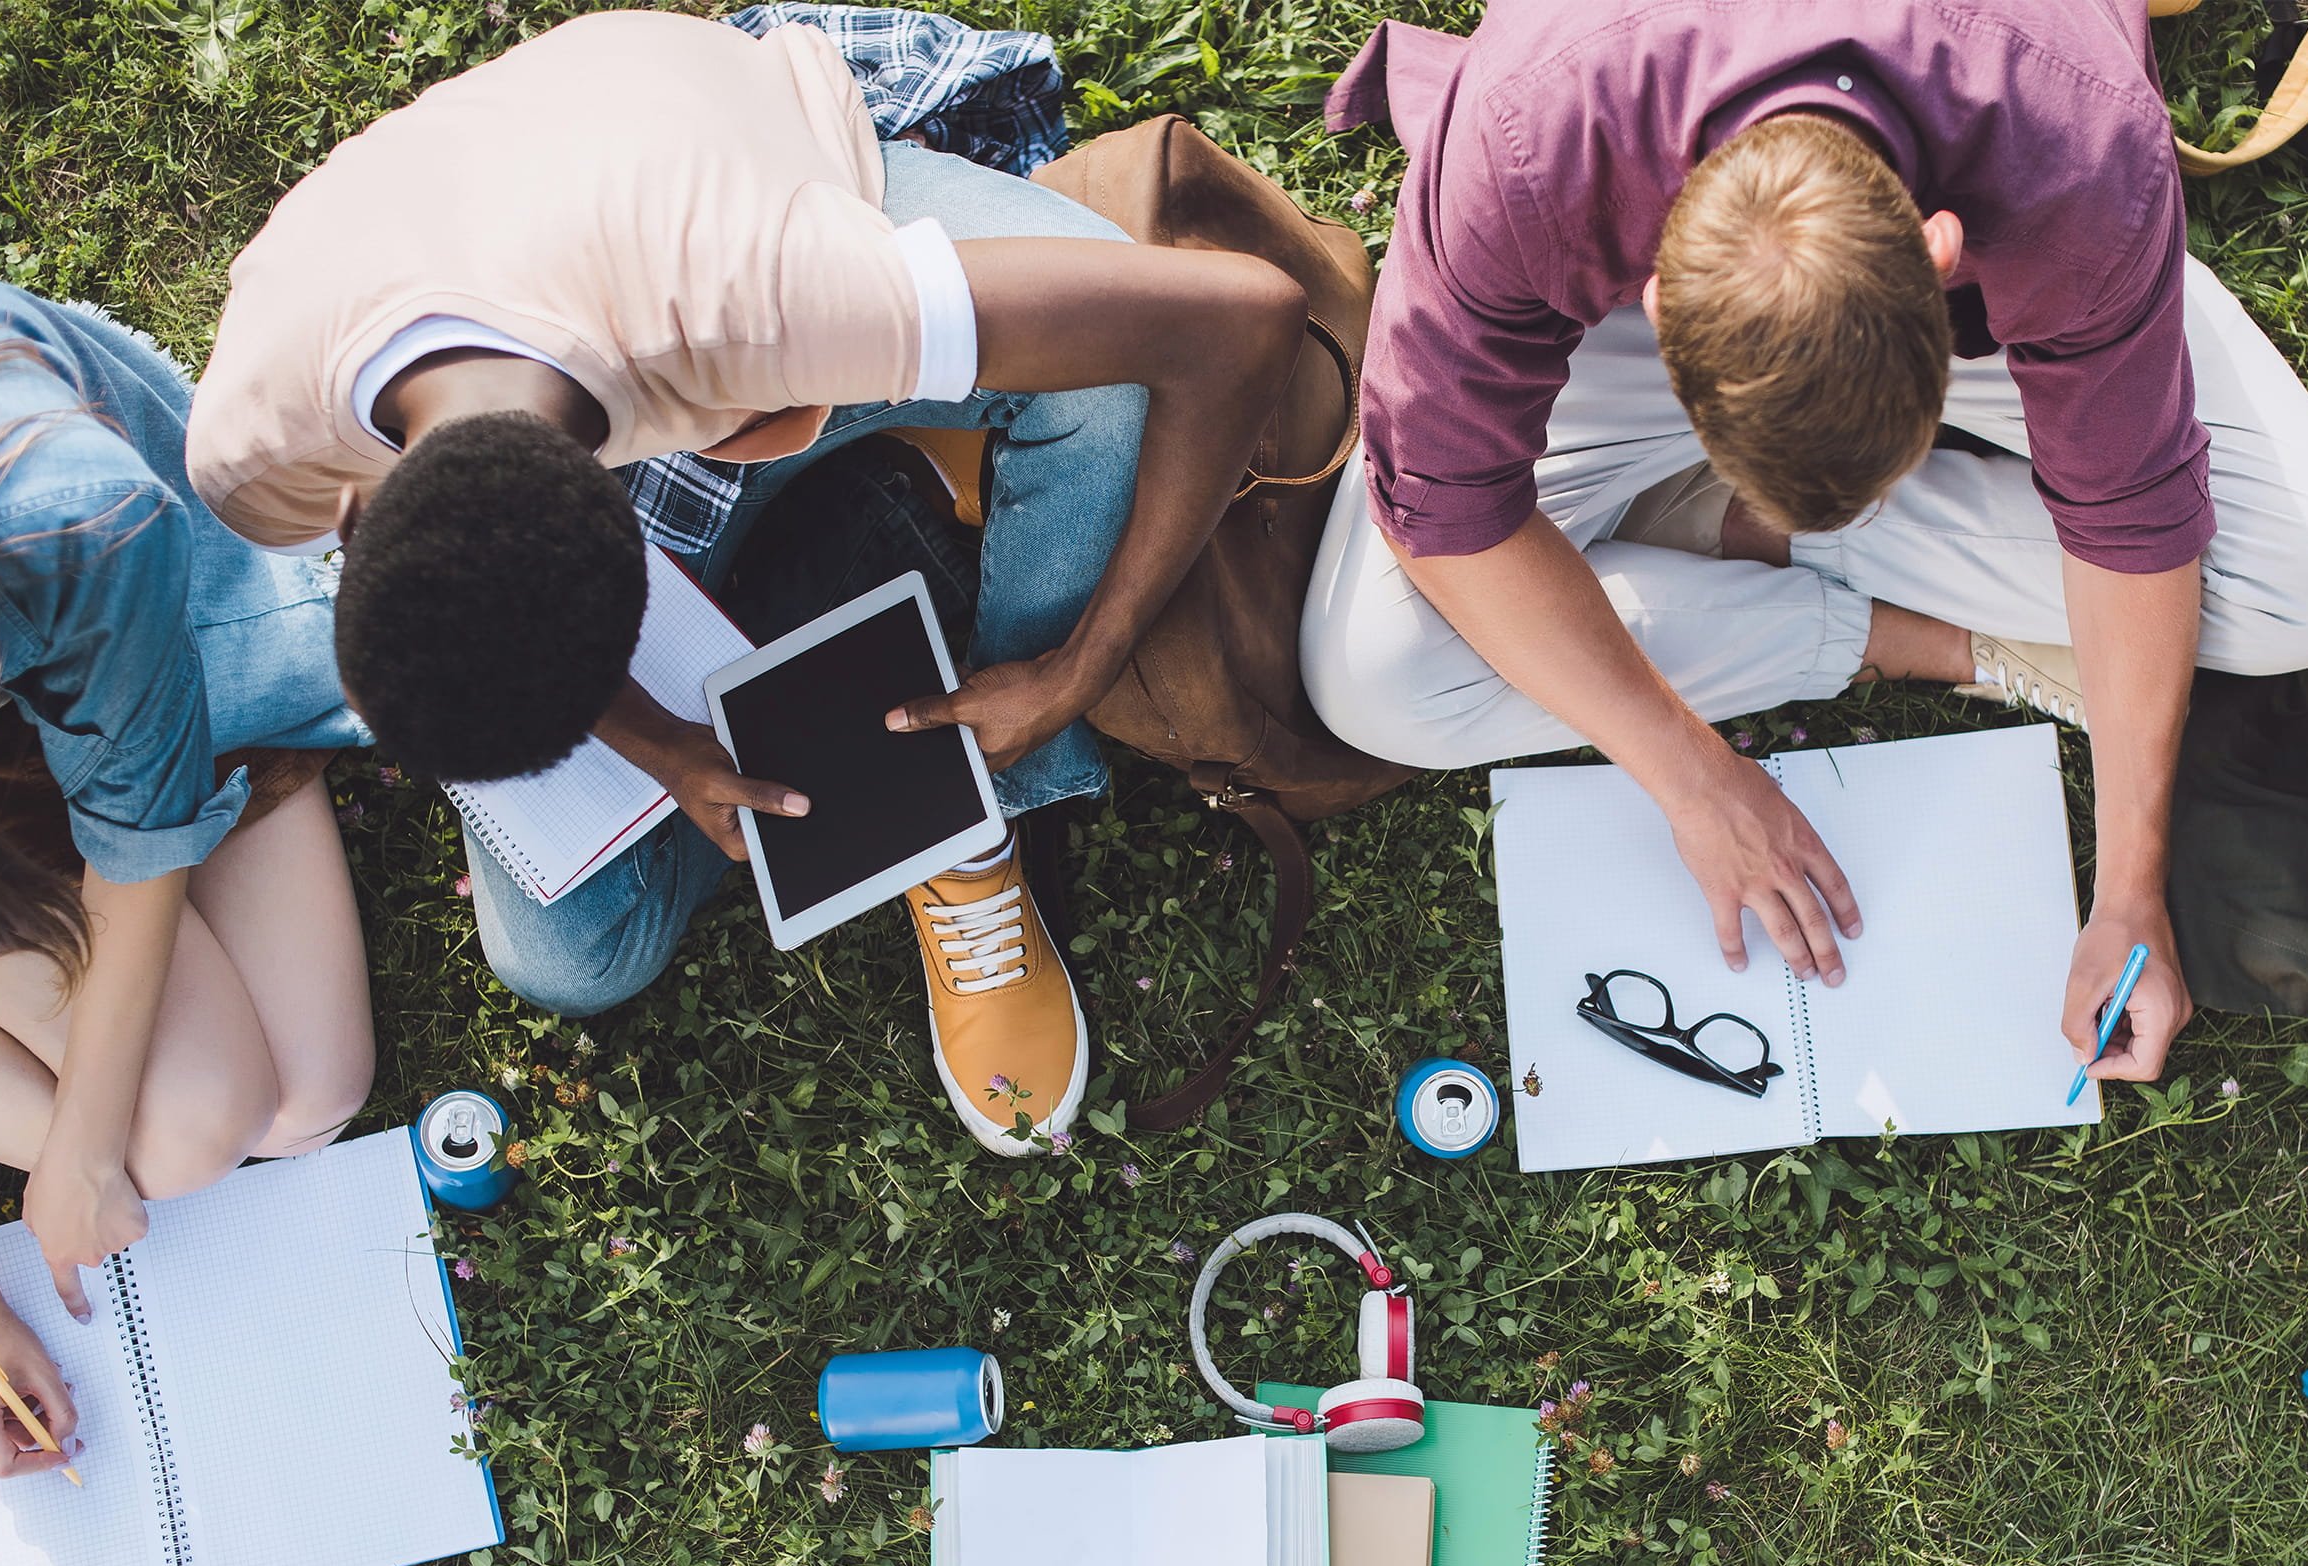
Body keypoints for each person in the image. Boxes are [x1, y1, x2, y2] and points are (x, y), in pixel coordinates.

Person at [185, 8, 1306, 1156]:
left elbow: (1240, 320)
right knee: (567, 955)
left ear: (643, 550)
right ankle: (891, 565)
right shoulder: (253, 452)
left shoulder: (768, 297)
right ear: (354, 508)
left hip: (739, 174)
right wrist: (658, 744)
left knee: (1102, 396)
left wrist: (1082, 663)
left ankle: (981, 804)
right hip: (546, 244)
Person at [1306, 1, 2308, 1087]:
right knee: (1376, 678)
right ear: (1653, 292)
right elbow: (1441, 501)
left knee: (2291, 582)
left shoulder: (2080, 144)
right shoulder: (1529, 134)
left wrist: (2127, 893)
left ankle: (1703, 532)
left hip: (2012, 216)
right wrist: (1694, 780)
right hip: (1632, 249)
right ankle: (1864, 603)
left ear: (1938, 255)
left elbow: (2133, 508)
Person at [0, 277, 375, 1479]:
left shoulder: (72, 526)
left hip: (116, 629)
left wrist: (78, 1145)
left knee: (305, 1101)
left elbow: (140, 825)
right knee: (200, 1132)